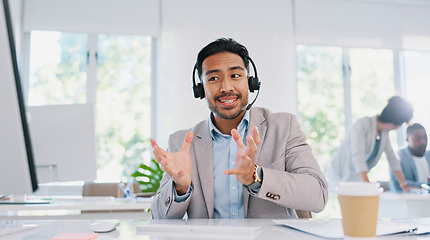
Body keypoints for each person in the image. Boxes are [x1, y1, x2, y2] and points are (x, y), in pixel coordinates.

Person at [150, 38, 328, 219]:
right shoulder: (182, 142)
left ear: (250, 82)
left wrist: (256, 177)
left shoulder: (283, 128)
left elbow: (318, 195)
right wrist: (180, 187)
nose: (226, 87)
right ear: (201, 89)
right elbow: (157, 217)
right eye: (213, 78)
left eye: (235, 76)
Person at [326, 96, 413, 191]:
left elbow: (392, 158)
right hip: (340, 174)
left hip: (356, 178)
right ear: (393, 123)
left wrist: (403, 184)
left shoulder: (384, 133)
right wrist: (369, 188)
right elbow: (358, 156)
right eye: (399, 125)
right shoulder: (363, 124)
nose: (398, 128)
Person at [389, 123, 430, 192]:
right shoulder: (398, 157)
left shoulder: (428, 155)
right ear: (407, 139)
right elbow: (398, 183)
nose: (423, 142)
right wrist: (426, 186)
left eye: (425, 138)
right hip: (407, 200)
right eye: (418, 138)